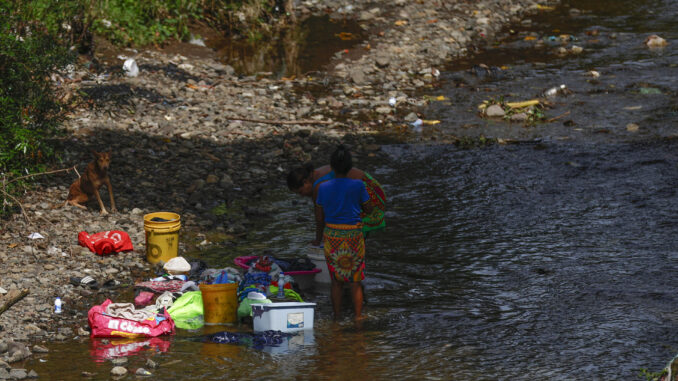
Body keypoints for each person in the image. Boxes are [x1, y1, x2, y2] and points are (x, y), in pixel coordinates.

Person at [314, 145, 373, 320]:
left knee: (336, 281)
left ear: (332, 167)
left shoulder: (323, 188)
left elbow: (319, 218)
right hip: (354, 235)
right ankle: (358, 317)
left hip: (332, 236)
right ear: (350, 167)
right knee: (355, 281)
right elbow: (369, 209)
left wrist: (318, 238)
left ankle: (337, 317)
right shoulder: (358, 185)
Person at [287, 153, 386, 247]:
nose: (302, 196)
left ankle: (355, 254)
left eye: (300, 192)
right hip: (372, 186)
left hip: (368, 192)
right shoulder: (314, 174)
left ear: (305, 182)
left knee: (355, 228)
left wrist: (318, 240)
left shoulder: (318, 186)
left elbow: (320, 218)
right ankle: (357, 254)